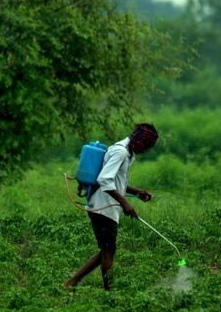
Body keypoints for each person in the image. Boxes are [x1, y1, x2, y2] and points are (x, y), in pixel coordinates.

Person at [63, 123, 158, 291]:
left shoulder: (127, 152)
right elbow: (104, 180)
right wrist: (125, 203)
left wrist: (137, 192)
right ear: (139, 140)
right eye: (146, 145)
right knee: (108, 251)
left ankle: (72, 282)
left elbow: (115, 180)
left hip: (105, 206)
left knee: (106, 249)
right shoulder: (120, 152)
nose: (146, 150)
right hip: (103, 207)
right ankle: (108, 291)